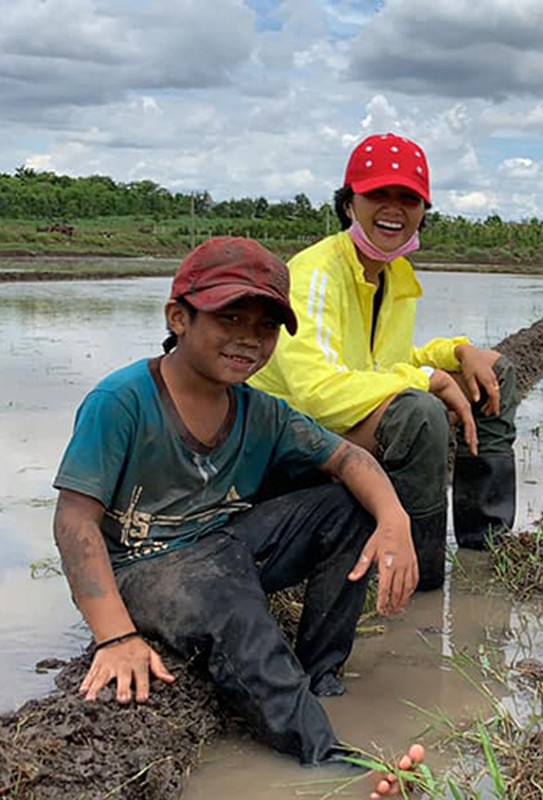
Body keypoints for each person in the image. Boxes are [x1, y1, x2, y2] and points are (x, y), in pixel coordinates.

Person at [52, 237, 422, 793]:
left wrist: (395, 520)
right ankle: (326, 761)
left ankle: (320, 674)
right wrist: (115, 638)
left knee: (348, 506)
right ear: (178, 317)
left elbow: (349, 458)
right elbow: (74, 522)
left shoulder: (261, 411)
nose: (249, 338)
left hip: (223, 544)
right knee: (227, 597)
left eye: (266, 326)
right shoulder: (122, 400)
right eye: (230, 317)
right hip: (145, 569)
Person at [250, 133, 518, 590]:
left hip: (340, 420)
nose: (394, 209)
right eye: (378, 194)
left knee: (494, 373)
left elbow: (383, 362)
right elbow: (316, 392)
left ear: (422, 212)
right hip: (288, 441)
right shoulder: (316, 274)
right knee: (420, 412)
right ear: (349, 203)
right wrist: (426, 379)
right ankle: (418, 576)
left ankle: (484, 543)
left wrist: (454, 353)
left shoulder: (393, 273)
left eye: (408, 198)